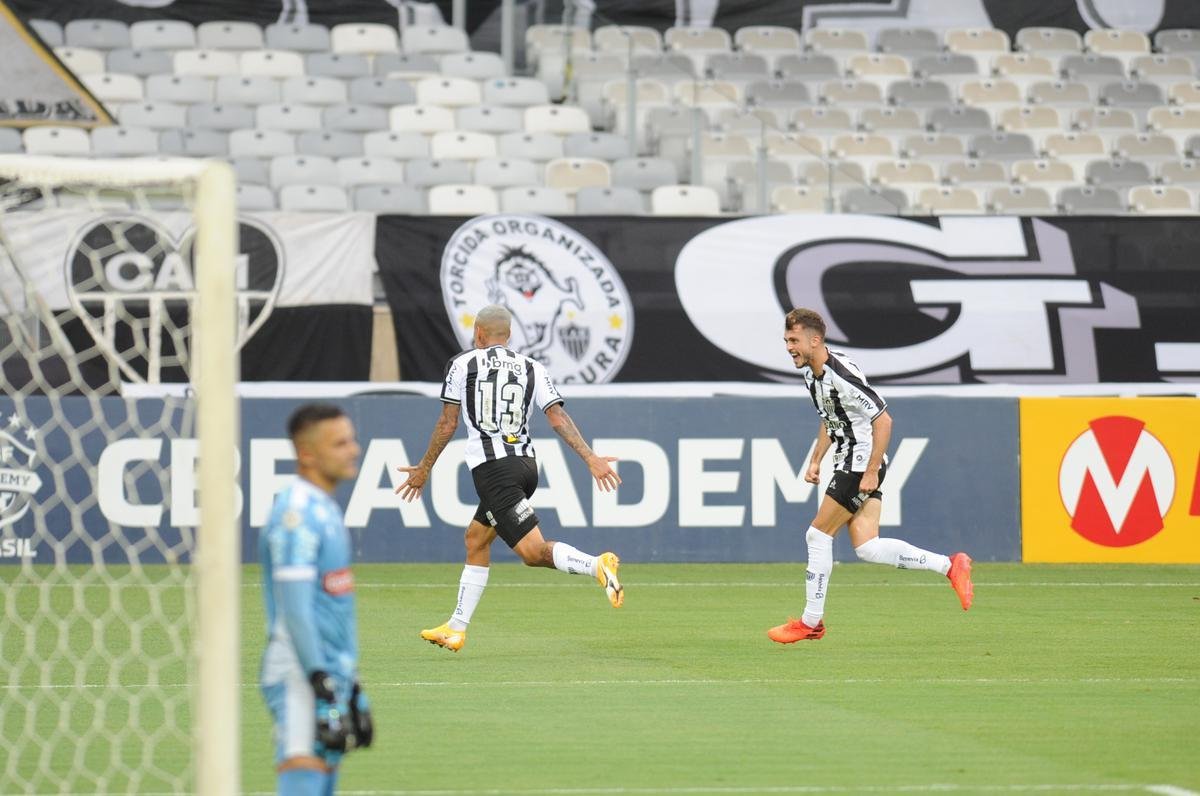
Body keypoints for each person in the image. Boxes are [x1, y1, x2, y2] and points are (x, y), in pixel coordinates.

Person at [395, 304, 624, 653]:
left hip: (494, 471)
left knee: (532, 553)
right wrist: (590, 457)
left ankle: (596, 565)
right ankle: (455, 628)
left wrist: (424, 467)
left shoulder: (463, 364)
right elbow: (558, 418)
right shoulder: (533, 367)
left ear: (479, 334)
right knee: (476, 539)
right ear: (509, 335)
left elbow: (447, 423)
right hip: (526, 466)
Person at [767, 308, 974, 643]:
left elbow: (884, 420)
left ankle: (811, 622)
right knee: (868, 547)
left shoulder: (840, 375)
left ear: (815, 340)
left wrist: (872, 470)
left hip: (860, 463)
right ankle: (951, 566)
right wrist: (816, 458)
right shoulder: (811, 374)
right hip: (849, 459)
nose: (789, 346)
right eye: (787, 340)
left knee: (818, 536)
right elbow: (830, 416)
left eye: (794, 340)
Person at [260, 404, 374, 795]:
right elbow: (295, 609)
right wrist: (318, 680)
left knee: (323, 782)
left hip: (329, 675)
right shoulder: (296, 514)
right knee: (303, 776)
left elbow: (334, 610)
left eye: (352, 439)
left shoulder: (324, 509)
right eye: (340, 443)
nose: (353, 449)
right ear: (307, 453)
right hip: (300, 673)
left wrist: (352, 684)